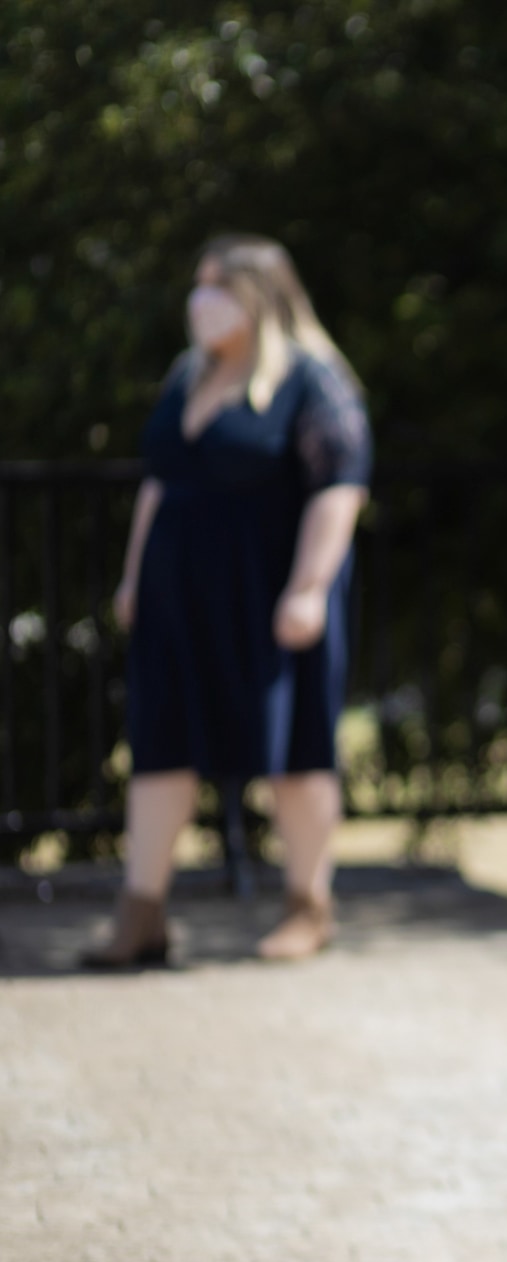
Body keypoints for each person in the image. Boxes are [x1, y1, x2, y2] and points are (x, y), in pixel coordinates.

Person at [83, 235, 371, 969]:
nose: (201, 301)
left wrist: (307, 587)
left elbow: (338, 487)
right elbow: (160, 483)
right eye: (199, 285)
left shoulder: (312, 380)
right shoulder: (189, 375)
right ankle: (141, 912)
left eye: (219, 287)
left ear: (261, 297)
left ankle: (310, 903)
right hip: (178, 593)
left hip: (268, 590)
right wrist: (132, 577)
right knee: (160, 741)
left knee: (295, 749)